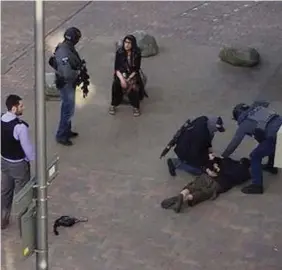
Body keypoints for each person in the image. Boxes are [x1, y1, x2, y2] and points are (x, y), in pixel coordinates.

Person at [222, 101, 282, 194]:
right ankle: (271, 166)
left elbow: (234, 143)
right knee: (267, 143)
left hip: (276, 136)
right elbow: (265, 103)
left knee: (255, 156)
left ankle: (257, 186)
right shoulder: (258, 109)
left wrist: (224, 156)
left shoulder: (244, 124)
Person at [161, 154, 251, 213]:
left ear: (240, 161)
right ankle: (185, 199)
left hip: (210, 176)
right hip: (220, 184)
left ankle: (182, 195)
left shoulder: (228, 161)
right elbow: (241, 181)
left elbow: (214, 160)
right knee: (204, 193)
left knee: (194, 185)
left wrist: (213, 166)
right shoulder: (245, 173)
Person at [1, 95, 35, 229]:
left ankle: (3, 219)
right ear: (14, 108)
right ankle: (25, 226)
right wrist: (31, 158)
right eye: (21, 106)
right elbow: (27, 148)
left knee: (5, 191)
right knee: (23, 195)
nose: (23, 108)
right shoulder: (20, 127)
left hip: (4, 162)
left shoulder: (1, 119)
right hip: (19, 164)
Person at [51, 27, 84, 146]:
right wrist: (78, 74)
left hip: (68, 82)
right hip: (66, 83)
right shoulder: (64, 51)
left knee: (69, 108)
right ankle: (61, 135)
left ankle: (67, 130)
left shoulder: (67, 47)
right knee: (67, 109)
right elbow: (67, 73)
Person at [109, 35, 145, 117]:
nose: (127, 45)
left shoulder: (137, 53)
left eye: (129, 43)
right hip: (121, 74)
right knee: (116, 84)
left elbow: (136, 69)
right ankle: (113, 104)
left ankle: (135, 106)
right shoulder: (119, 52)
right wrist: (122, 79)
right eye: (125, 42)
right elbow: (116, 68)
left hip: (132, 74)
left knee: (133, 86)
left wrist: (128, 79)